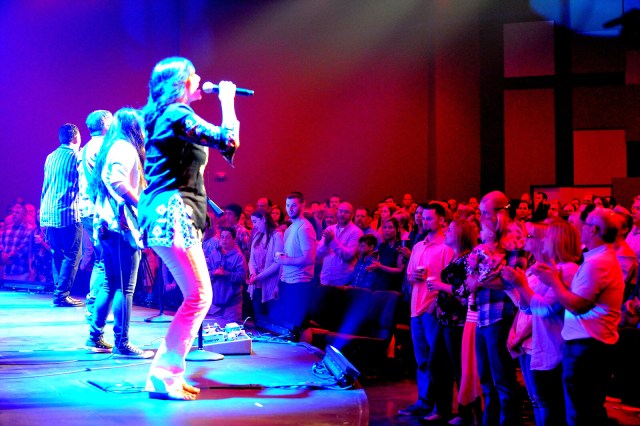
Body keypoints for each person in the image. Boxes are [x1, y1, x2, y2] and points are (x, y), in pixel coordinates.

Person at [139, 57, 240, 401]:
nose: (199, 79)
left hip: (166, 213)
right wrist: (227, 100)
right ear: (180, 82)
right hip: (173, 214)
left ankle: (165, 374)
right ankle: (165, 375)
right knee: (199, 296)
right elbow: (227, 139)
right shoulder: (177, 114)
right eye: (193, 75)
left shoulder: (166, 116)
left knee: (196, 296)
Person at [532, 208, 624, 425]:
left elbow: (576, 305)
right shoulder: (599, 259)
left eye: (585, 224)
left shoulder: (597, 263)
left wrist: (553, 281)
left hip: (587, 348)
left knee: (580, 414)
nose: (580, 228)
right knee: (588, 410)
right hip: (590, 346)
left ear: (594, 230)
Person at [86, 108, 152, 358]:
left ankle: (95, 337)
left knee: (110, 282)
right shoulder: (125, 148)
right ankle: (122, 344)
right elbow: (117, 182)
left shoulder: (111, 148)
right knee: (125, 287)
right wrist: (141, 205)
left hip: (107, 227)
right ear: (133, 128)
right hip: (120, 229)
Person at [503, 220, 581, 426]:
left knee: (551, 407)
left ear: (557, 240)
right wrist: (514, 285)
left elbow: (545, 309)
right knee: (540, 401)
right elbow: (527, 307)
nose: (543, 241)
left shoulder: (568, 271)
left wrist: (521, 285)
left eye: (547, 237)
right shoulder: (549, 268)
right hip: (543, 343)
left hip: (554, 345)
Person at [398, 203, 454, 420]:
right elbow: (410, 276)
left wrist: (436, 305)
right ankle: (423, 401)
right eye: (423, 217)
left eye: (429, 218)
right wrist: (413, 277)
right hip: (416, 307)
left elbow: (450, 280)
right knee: (421, 359)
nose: (424, 221)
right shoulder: (418, 246)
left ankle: (439, 406)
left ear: (441, 220)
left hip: (433, 308)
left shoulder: (447, 247)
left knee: (437, 360)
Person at [40, 123, 84, 307]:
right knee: (73, 254)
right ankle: (61, 295)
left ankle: (58, 293)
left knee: (57, 253)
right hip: (68, 211)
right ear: (75, 137)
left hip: (49, 211)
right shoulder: (77, 156)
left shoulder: (50, 156)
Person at [78, 109, 113, 320]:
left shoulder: (85, 148)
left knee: (102, 258)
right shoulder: (103, 147)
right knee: (104, 259)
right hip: (99, 210)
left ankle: (95, 305)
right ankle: (94, 305)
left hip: (86, 209)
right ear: (106, 124)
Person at [273, 192, 316, 331]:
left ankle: (304, 346)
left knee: (301, 326)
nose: (290, 209)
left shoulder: (305, 228)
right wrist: (278, 283)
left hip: (300, 283)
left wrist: (285, 260)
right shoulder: (289, 229)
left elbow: (309, 258)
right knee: (288, 325)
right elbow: (284, 259)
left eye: (294, 205)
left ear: (303, 205)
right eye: (287, 205)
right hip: (287, 282)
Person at [247, 209, 283, 319]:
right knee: (259, 319)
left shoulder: (277, 235)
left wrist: (259, 276)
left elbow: (278, 263)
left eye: (255, 221)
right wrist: (252, 274)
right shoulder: (257, 236)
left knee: (271, 320)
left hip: (271, 285)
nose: (254, 225)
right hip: (256, 284)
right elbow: (251, 260)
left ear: (263, 219)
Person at [207, 226, 247, 323]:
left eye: (228, 237)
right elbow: (205, 273)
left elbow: (242, 276)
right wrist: (214, 272)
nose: (224, 240)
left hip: (233, 303)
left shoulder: (239, 256)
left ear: (234, 239)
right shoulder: (214, 254)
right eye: (222, 237)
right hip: (215, 301)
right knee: (213, 327)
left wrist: (226, 273)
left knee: (232, 328)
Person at [316, 202, 362, 286]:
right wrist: (326, 243)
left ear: (352, 215)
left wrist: (332, 241)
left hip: (343, 281)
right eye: (340, 211)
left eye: (346, 212)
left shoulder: (356, 232)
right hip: (325, 278)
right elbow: (318, 253)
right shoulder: (329, 228)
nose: (342, 214)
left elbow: (348, 255)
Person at [0, 203, 36, 281]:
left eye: (17, 213)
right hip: (6, 271)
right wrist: (2, 255)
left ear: (24, 215)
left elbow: (24, 248)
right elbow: (1, 244)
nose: (14, 214)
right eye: (13, 212)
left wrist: (8, 256)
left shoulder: (29, 230)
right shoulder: (7, 229)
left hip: (21, 272)